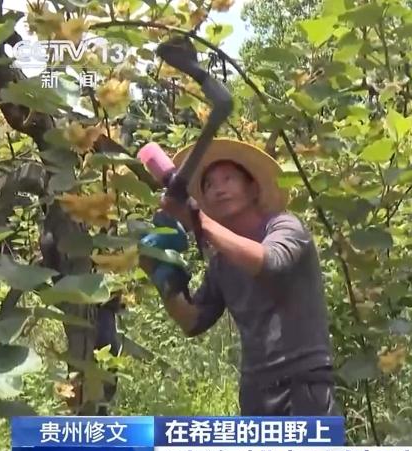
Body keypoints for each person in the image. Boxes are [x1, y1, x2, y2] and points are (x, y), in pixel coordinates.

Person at [139, 138, 338, 417]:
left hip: (303, 384)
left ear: (253, 188)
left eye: (228, 179)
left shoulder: (286, 227)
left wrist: (197, 220)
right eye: (209, 185)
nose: (218, 188)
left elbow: (270, 262)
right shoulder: (222, 262)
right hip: (256, 390)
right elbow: (192, 321)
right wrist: (163, 273)